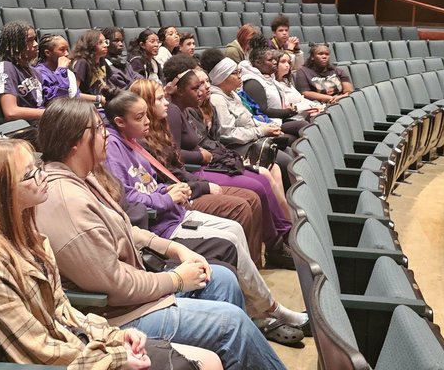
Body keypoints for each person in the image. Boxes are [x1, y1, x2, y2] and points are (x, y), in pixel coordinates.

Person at [33, 99, 288, 369]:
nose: (106, 133)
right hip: (122, 317)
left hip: (136, 294)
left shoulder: (83, 178)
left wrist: (173, 249)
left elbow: (123, 228)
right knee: (231, 324)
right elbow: (116, 286)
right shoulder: (67, 203)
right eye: (97, 128)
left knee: (222, 278)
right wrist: (176, 279)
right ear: (75, 142)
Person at [0, 140, 220, 370]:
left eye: (38, 167)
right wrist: (113, 358)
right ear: (2, 192)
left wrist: (114, 337)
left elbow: (63, 312)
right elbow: (33, 349)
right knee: (207, 359)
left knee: (209, 357)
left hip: (79, 348)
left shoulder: (29, 237)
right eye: (30, 174)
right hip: (61, 362)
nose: (42, 176)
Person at [103, 91, 307, 347]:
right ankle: (269, 311)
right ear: (120, 121)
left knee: (234, 228)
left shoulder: (132, 142)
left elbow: (149, 185)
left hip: (173, 210)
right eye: (140, 116)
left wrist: (170, 191)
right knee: (231, 236)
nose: (147, 121)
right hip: (162, 224)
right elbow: (129, 198)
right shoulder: (113, 147)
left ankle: (263, 309)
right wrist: (167, 197)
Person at [161, 54, 294, 268]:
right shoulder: (175, 111)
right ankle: (275, 245)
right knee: (258, 186)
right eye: (197, 86)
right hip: (196, 171)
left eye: (204, 83)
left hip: (211, 160)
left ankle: (282, 237)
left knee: (264, 177)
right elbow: (174, 157)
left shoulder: (188, 108)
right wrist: (203, 156)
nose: (204, 89)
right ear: (181, 87)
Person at [126, 79, 264, 264]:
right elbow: (167, 180)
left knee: (253, 198)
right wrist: (203, 186)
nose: (167, 102)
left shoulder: (161, 127)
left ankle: (252, 265)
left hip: (187, 185)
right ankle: (245, 270)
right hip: (181, 196)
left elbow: (177, 169)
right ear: (147, 104)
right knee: (241, 207)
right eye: (160, 99)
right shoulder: (142, 141)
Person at [201, 50, 297, 190]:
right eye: (235, 73)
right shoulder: (218, 100)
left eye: (239, 72)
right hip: (236, 146)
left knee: (289, 151)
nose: (240, 76)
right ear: (223, 78)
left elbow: (249, 119)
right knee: (286, 162)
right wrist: (262, 131)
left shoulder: (233, 94)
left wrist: (269, 126)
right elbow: (228, 135)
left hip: (251, 138)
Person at [238, 36, 309, 134]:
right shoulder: (252, 82)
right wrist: (290, 111)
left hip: (279, 119)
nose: (275, 62)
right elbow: (263, 111)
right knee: (304, 126)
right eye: (270, 60)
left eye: (274, 59)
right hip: (266, 124)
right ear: (258, 62)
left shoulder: (268, 77)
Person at [0, 21, 47, 122]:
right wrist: (51, 113)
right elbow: (11, 112)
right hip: (25, 129)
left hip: (42, 123)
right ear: (16, 44)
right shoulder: (6, 67)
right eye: (30, 40)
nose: (36, 44)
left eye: (35, 39)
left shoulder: (35, 71)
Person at [69, 29, 117, 105]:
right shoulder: (82, 63)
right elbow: (74, 94)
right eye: (100, 42)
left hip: (100, 103)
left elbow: (107, 84)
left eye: (105, 42)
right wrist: (99, 99)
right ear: (90, 45)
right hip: (85, 106)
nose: (105, 45)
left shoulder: (102, 60)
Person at [34, 33, 82, 106]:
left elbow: (76, 97)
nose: (66, 54)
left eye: (67, 49)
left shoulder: (68, 72)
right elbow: (55, 102)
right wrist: (61, 71)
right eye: (62, 50)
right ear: (48, 53)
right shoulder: (39, 73)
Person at [101, 26, 141, 91]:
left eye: (121, 41)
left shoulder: (124, 63)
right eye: (116, 41)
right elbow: (125, 92)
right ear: (106, 43)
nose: (121, 44)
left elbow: (137, 76)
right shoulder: (108, 69)